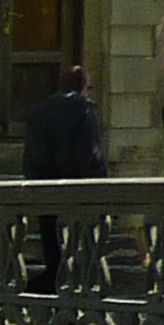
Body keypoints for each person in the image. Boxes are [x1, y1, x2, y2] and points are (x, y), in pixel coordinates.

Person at [23, 63, 106, 290]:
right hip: (76, 189)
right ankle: (64, 303)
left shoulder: (38, 110)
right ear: (82, 85)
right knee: (80, 252)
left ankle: (49, 295)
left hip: (44, 189)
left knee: (53, 251)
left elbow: (30, 154)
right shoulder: (85, 107)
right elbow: (91, 152)